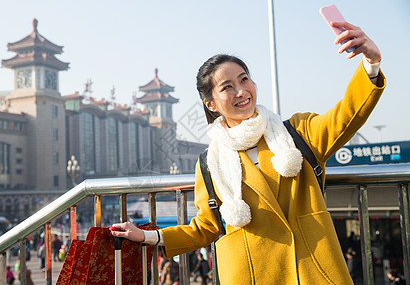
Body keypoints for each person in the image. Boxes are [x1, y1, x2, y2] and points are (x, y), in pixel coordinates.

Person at [111, 20, 384, 284]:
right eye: (227, 87)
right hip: (252, 273)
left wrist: (371, 64)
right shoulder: (210, 163)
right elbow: (206, 227)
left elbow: (346, 115)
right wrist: (148, 237)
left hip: (313, 269)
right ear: (211, 104)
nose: (241, 91)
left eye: (244, 79)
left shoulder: (297, 133)